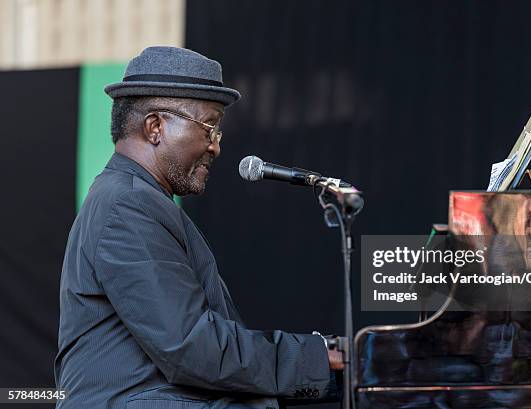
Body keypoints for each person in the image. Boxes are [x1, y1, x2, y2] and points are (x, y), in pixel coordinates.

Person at [55, 46, 342, 409]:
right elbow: (190, 346)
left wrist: (316, 361)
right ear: (155, 126)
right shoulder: (127, 205)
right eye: (209, 128)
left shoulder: (135, 199)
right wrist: (318, 357)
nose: (215, 147)